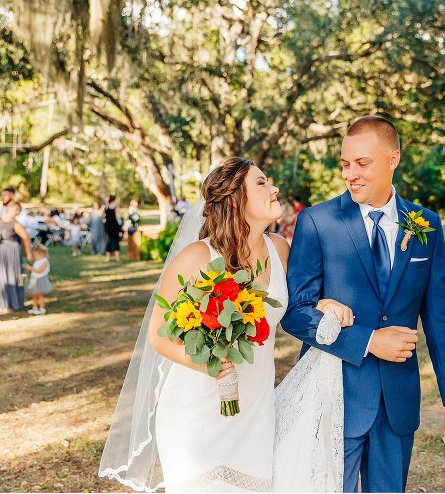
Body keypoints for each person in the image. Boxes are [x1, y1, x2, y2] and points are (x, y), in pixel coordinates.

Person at [99, 157, 354, 492]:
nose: (274, 188)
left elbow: (300, 301)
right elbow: (158, 336)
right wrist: (209, 363)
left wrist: (324, 303)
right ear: (235, 200)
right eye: (261, 183)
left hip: (255, 411)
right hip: (195, 412)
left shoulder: (281, 250)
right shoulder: (196, 258)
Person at [282, 115, 445, 492]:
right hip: (337, 396)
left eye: (362, 163)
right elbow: (295, 313)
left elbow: (440, 319)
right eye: (345, 164)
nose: (351, 175)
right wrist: (368, 341)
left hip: (398, 404)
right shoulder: (317, 222)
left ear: (392, 159)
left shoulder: (426, 224)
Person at [0, 201, 33, 313]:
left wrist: (28, 252)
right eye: (15, 210)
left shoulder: (16, 224)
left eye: (19, 211)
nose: (17, 213)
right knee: (0, 276)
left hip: (12, 251)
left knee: (13, 276)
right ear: (8, 209)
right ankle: (0, 302)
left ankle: (13, 303)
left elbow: (26, 237)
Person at [24, 243, 52, 315]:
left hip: (40, 280)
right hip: (34, 279)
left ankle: (42, 308)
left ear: (42, 254)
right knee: (34, 294)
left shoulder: (44, 262)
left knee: (40, 295)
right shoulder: (38, 260)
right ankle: (35, 307)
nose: (35, 257)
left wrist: (30, 268)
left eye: (36, 255)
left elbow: (39, 271)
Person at [103, 196, 122, 262]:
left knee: (109, 240)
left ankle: (107, 257)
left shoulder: (106, 206)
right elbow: (117, 217)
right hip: (114, 225)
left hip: (108, 225)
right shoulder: (116, 206)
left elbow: (102, 215)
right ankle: (117, 257)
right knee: (116, 240)